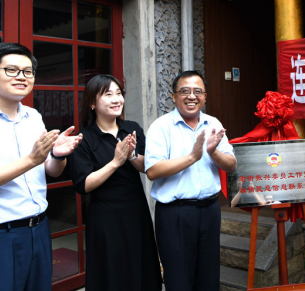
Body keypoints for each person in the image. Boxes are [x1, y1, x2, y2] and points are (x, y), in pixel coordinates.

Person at [0, 43, 82, 291]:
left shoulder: (34, 116)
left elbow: (51, 171)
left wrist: (57, 155)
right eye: (12, 70)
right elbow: (34, 161)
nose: (21, 77)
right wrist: (31, 160)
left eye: (28, 72)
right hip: (4, 233)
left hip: (39, 228)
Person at [145, 70, 237, 291]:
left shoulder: (213, 123)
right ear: (174, 96)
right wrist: (193, 157)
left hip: (210, 210)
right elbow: (153, 170)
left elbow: (232, 164)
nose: (191, 96)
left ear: (205, 96)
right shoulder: (161, 126)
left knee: (208, 277)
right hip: (175, 213)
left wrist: (213, 152)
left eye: (198, 91)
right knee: (179, 279)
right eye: (184, 91)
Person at [69, 74, 161, 291]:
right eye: (108, 94)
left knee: (142, 268)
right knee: (113, 272)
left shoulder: (131, 128)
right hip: (106, 218)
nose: (116, 99)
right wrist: (115, 162)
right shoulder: (84, 139)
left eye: (119, 93)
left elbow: (147, 168)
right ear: (92, 103)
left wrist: (130, 156)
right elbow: (83, 185)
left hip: (136, 212)